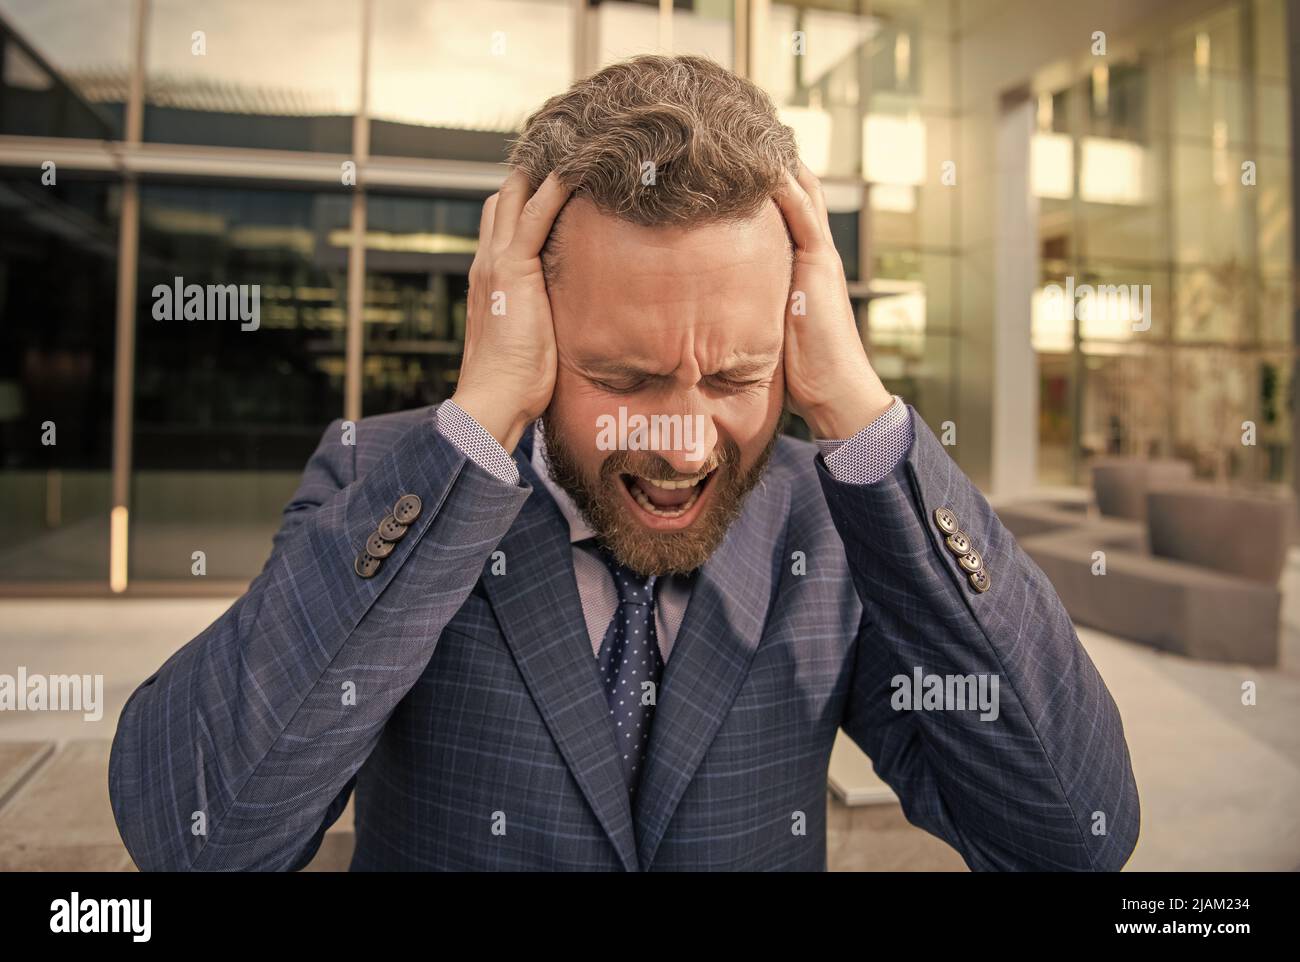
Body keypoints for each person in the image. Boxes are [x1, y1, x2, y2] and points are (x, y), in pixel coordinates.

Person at [109, 55, 1139, 872]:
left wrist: (860, 412)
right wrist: (475, 426)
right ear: (530, 326)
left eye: (734, 376)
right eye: (624, 377)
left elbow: (1070, 834)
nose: (683, 444)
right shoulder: (389, 481)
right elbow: (197, 834)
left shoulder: (828, 526)